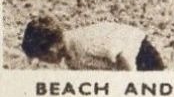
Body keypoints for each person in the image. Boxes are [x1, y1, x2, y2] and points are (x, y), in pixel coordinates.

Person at [21, 16, 165, 70]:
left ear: (51, 48)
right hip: (123, 64)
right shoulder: (71, 61)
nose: (44, 61)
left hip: (141, 56)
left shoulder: (83, 42)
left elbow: (123, 56)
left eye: (41, 57)